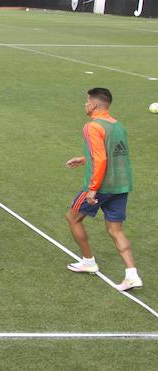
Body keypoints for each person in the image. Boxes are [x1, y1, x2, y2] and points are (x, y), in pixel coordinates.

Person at [65, 88, 140, 291]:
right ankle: (131, 274)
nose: (85, 105)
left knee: (73, 218)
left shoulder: (92, 127)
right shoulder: (118, 125)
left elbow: (101, 159)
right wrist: (83, 159)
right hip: (121, 185)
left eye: (86, 101)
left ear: (94, 105)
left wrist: (92, 189)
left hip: (101, 186)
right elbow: (114, 154)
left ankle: (89, 261)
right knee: (116, 230)